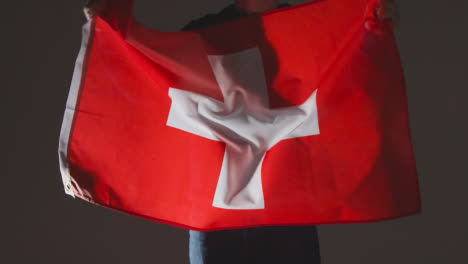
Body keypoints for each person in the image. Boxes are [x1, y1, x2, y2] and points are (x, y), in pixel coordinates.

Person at [82, 1, 399, 263]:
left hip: (289, 214)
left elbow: (348, 84)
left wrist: (370, 24)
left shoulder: (310, 32)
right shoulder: (204, 34)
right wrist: (111, 31)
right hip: (216, 216)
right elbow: (152, 80)